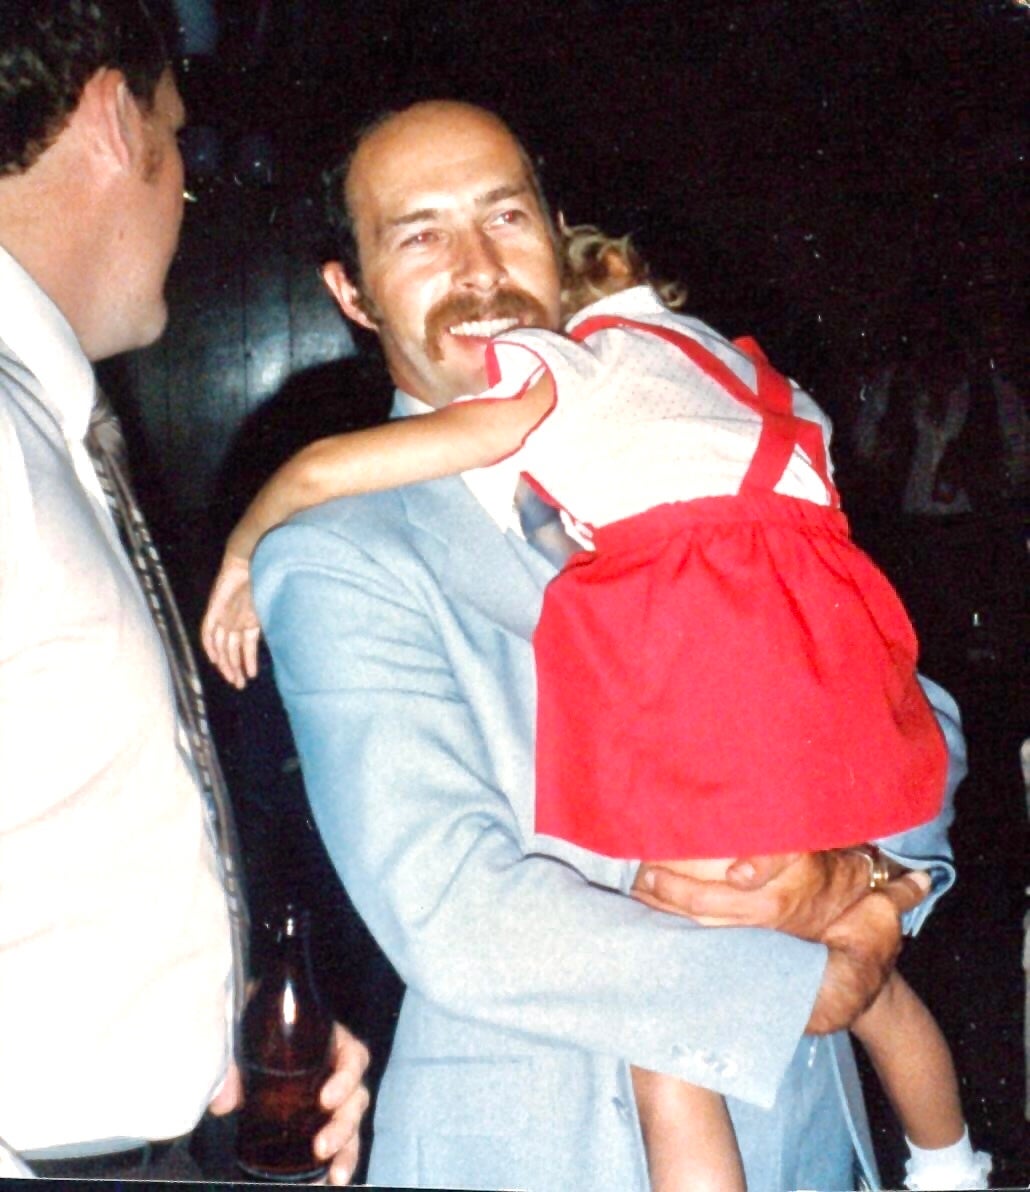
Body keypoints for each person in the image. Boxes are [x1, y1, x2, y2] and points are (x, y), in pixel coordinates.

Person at [246, 99, 967, 1192]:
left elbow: (908, 706)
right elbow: (455, 911)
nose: (480, 270)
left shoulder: (684, 436)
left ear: (557, 233)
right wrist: (792, 980)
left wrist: (869, 889)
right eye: (421, 235)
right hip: (545, 1155)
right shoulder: (339, 553)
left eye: (506, 217)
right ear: (352, 292)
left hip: (811, 1138)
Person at [0, 2, 368, 1183]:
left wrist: (215, 1038)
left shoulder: (42, 419)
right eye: (178, 142)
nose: (188, 201)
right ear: (117, 120)